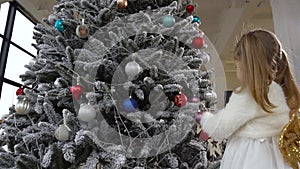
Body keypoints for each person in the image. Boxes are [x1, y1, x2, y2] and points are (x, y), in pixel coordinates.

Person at [200, 29, 300, 169]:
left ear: (248, 67)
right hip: (277, 155)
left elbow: (221, 128)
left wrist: (203, 117)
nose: (236, 72)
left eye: (237, 67)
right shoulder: (279, 92)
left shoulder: (249, 96)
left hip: (251, 155)